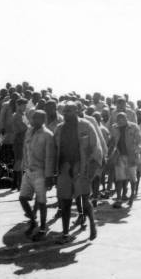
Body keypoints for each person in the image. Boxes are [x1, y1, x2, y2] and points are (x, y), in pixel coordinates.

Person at [54, 102, 100, 244]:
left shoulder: (86, 125)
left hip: (82, 167)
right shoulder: (59, 129)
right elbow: (54, 150)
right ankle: (66, 233)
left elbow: (96, 148)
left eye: (70, 110)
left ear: (77, 111)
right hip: (64, 168)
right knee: (65, 201)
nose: (67, 113)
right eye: (65, 111)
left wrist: (93, 166)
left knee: (84, 200)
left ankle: (92, 222)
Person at [19, 110, 55, 240]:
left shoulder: (48, 135)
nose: (33, 121)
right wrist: (24, 165)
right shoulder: (29, 131)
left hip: (41, 172)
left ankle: (43, 227)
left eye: (36, 118)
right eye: (32, 118)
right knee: (23, 198)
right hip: (28, 171)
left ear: (43, 120)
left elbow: (50, 157)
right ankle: (33, 220)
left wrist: (49, 177)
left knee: (41, 202)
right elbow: (25, 149)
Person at [108, 112, 141, 208]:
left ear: (126, 119)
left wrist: (136, 151)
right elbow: (112, 141)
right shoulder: (114, 128)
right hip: (119, 156)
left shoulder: (134, 127)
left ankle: (132, 196)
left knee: (132, 178)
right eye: (118, 120)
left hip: (131, 156)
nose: (120, 121)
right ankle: (119, 199)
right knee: (119, 178)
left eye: (122, 119)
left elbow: (139, 141)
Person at [12, 98, 30, 190]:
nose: (25, 107)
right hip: (18, 141)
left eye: (25, 105)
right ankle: (17, 184)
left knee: (21, 163)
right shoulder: (17, 116)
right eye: (23, 105)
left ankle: (17, 184)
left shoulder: (23, 115)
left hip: (23, 141)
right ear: (18, 105)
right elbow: (23, 128)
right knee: (18, 162)